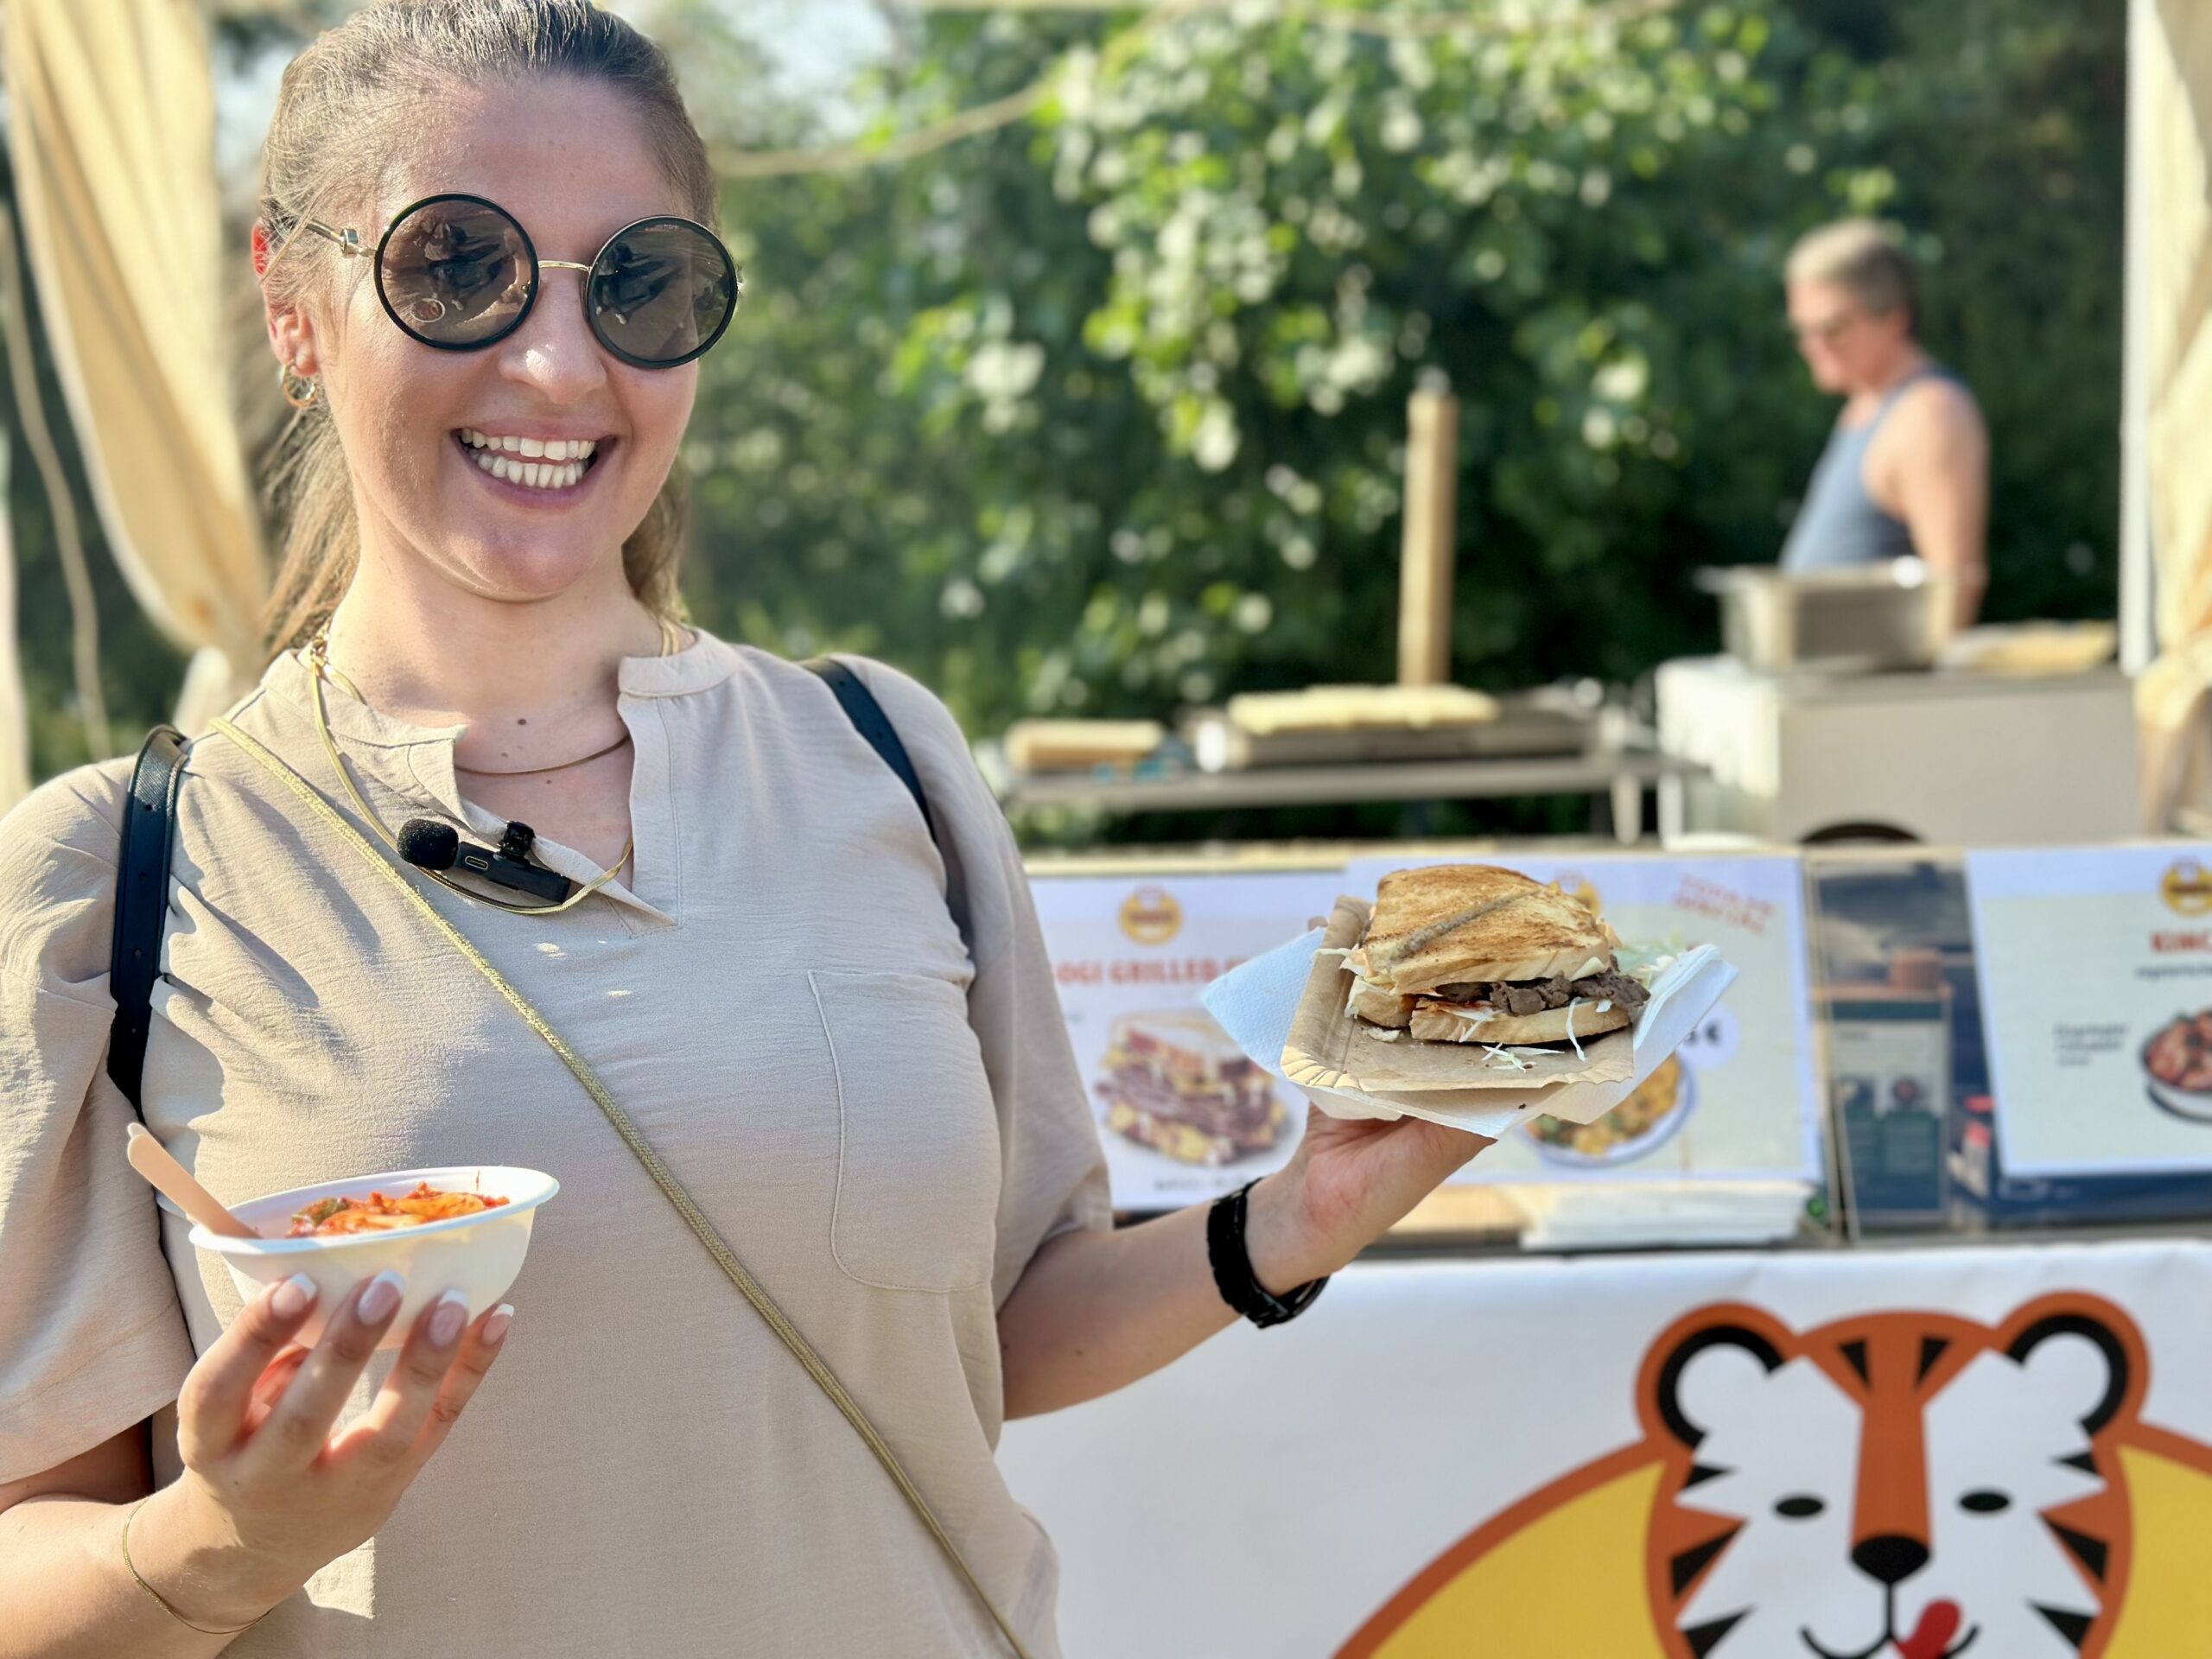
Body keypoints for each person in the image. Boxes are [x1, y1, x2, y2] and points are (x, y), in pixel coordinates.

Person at [0, 4, 1481, 1655]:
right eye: (456, 266)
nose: (559, 365)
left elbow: (988, 1330)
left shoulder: (882, 757)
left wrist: (1292, 1220)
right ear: (293, 301)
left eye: (638, 284)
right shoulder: (120, 875)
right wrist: (216, 1538)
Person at [1779, 218, 1990, 629]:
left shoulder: (1930, 414)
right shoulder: (1864, 407)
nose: (1813, 346)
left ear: (1894, 318)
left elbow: (1954, 589)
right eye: (1802, 331)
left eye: (1832, 328)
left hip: (1876, 690)